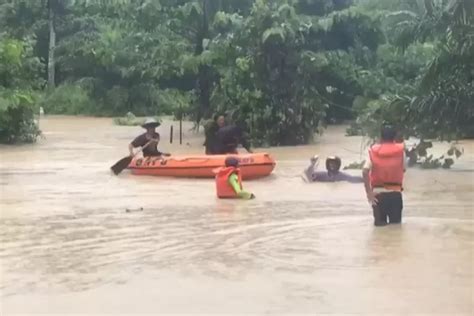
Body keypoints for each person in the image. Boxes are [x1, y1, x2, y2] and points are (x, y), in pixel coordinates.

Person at [363, 126, 406, 226]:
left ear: (380, 138)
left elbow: (365, 171)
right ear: (394, 138)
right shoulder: (401, 152)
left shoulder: (372, 152)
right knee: (395, 229)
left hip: (378, 195)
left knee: (379, 229)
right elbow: (404, 169)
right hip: (395, 194)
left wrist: (369, 193)